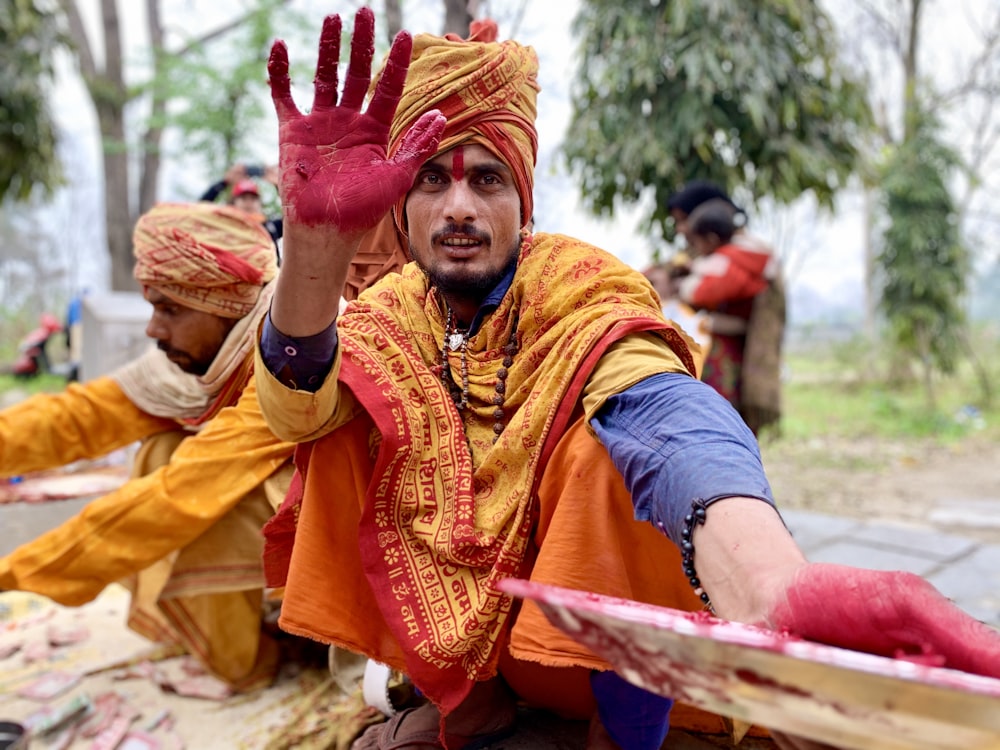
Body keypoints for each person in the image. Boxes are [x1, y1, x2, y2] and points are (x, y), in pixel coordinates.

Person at [253, 10, 1000, 750]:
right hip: (454, 655)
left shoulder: (576, 282)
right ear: (400, 204)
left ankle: (627, 734)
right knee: (354, 414)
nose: (459, 207)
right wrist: (315, 252)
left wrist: (772, 587)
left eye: (486, 179)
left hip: (585, 654)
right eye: (431, 181)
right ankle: (463, 704)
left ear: (523, 200)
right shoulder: (387, 315)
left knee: (602, 450)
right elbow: (295, 414)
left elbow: (661, 410)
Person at [0, 202, 297, 692]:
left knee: (201, 514)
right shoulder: (193, 364)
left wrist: (14, 572)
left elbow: (179, 496)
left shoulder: (291, 358)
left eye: (171, 309)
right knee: (161, 449)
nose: (153, 329)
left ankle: (260, 661)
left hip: (360, 542)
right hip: (288, 531)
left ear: (229, 307)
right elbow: (78, 419)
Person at [665, 182, 785, 436]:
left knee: (718, 425)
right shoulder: (736, 257)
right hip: (721, 356)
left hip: (725, 360)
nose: (680, 230)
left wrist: (681, 287)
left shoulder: (734, 260)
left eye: (684, 220)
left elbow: (707, 291)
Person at [200, 162, 284, 251]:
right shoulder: (223, 224)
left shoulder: (270, 228)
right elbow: (199, 210)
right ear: (233, 203)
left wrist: (280, 187)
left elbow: (294, 219)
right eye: (243, 198)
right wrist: (224, 182)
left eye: (253, 198)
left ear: (260, 203)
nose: (248, 202)